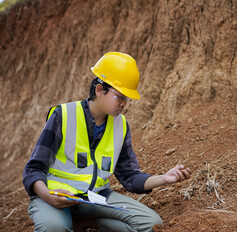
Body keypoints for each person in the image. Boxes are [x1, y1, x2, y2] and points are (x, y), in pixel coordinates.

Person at [23, 52, 192, 232]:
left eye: (126, 99)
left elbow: (130, 177)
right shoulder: (63, 115)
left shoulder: (121, 126)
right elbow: (33, 169)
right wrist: (47, 196)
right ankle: (64, 220)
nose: (123, 103)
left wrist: (165, 179)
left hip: (95, 198)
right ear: (99, 90)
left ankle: (89, 223)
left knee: (152, 223)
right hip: (56, 197)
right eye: (120, 96)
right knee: (53, 227)